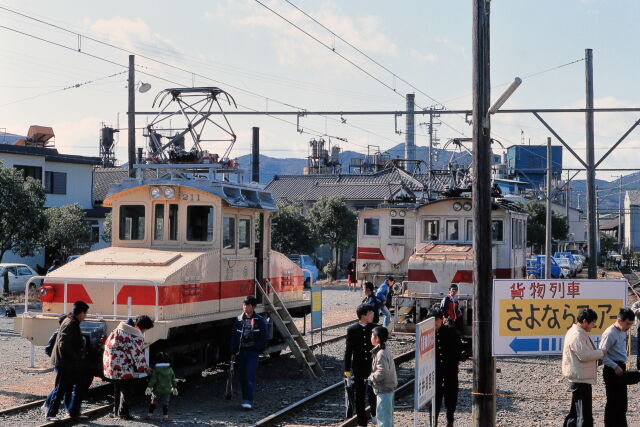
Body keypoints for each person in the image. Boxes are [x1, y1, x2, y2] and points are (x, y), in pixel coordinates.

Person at [103, 314, 154, 420]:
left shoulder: (117, 330)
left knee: (117, 389)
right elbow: (137, 354)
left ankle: (115, 411)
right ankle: (123, 413)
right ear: (143, 327)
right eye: (146, 330)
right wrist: (145, 368)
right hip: (123, 367)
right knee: (126, 390)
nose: (144, 332)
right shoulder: (134, 335)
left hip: (110, 365)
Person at [45, 300, 89, 421]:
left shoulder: (71, 321)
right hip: (66, 363)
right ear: (80, 313)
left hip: (69, 362)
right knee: (61, 388)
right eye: (85, 313)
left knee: (71, 387)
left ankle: (73, 411)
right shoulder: (70, 323)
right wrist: (75, 357)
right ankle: (50, 414)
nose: (85, 316)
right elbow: (64, 344)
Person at [562, 308, 606, 427]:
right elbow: (584, 355)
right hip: (580, 379)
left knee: (575, 413)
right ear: (585, 321)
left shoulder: (577, 332)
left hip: (579, 377)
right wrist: (601, 353)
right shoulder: (577, 334)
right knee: (584, 415)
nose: (593, 326)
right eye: (592, 323)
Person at [229, 296, 268, 410]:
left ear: (253, 307)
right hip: (240, 353)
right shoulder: (238, 320)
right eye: (244, 305)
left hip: (252, 353)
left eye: (248, 305)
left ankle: (248, 400)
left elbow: (264, 337)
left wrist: (257, 349)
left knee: (249, 375)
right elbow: (234, 338)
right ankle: (245, 398)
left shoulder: (260, 321)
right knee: (242, 377)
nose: (245, 308)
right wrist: (233, 352)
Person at [599, 307, 635, 427]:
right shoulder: (609, 333)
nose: (629, 327)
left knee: (622, 403)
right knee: (613, 402)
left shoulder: (622, 331)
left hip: (620, 367)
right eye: (627, 324)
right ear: (619, 320)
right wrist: (615, 366)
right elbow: (601, 355)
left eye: (631, 324)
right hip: (612, 370)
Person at [344, 304, 377, 427]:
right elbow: (348, 352)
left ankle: (374, 413)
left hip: (372, 366)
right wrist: (347, 371)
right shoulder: (352, 329)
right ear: (363, 315)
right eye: (370, 313)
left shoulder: (375, 328)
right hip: (358, 367)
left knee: (373, 392)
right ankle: (362, 422)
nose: (373, 315)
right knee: (360, 395)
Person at [429, 307, 462, 427]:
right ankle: (433, 422)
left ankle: (450, 420)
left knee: (451, 398)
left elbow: (459, 349)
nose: (434, 324)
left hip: (450, 370)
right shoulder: (427, 334)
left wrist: (454, 362)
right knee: (434, 399)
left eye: (436, 320)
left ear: (441, 319)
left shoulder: (451, 331)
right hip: (435, 372)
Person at [369, 326, 397, 427]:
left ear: (377, 338)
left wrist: (372, 377)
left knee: (383, 420)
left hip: (383, 388)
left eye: (372, 335)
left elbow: (382, 371)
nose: (371, 337)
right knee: (387, 419)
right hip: (387, 388)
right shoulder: (384, 350)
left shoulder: (380, 353)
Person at [145, 352, 178, 422]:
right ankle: (165, 417)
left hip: (157, 389)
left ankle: (149, 415)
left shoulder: (157, 369)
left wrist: (149, 387)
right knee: (165, 403)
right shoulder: (170, 369)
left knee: (153, 402)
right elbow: (173, 379)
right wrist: (175, 387)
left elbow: (154, 379)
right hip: (167, 390)